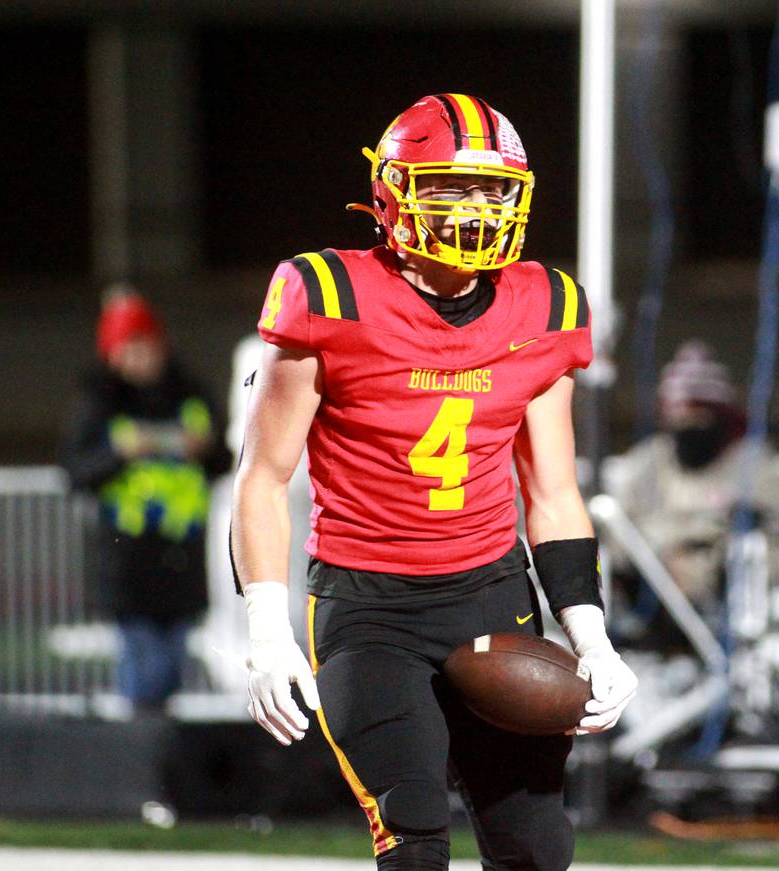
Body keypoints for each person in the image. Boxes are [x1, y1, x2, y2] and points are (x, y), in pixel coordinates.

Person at [230, 94, 637, 870]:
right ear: (393, 191)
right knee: (414, 839)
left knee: (537, 848)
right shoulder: (329, 294)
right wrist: (263, 625)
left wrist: (590, 632)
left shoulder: (546, 305)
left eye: (493, 189)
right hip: (367, 605)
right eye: (450, 186)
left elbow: (552, 492)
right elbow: (262, 477)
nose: (475, 209)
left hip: (491, 592)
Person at [61, 286, 230, 713]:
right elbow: (77, 471)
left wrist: (203, 448)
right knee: (145, 674)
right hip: (128, 566)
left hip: (181, 563)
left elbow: (223, 460)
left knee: (170, 672)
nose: (140, 359)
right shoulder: (98, 402)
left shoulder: (190, 395)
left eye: (145, 347)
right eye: (128, 349)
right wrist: (119, 453)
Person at [604, 339, 779, 647]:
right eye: (680, 416)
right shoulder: (650, 461)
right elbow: (618, 524)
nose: (688, 426)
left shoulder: (754, 462)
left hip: (723, 587)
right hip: (652, 584)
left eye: (699, 416)